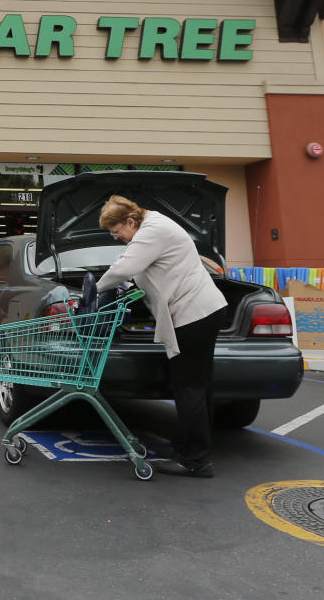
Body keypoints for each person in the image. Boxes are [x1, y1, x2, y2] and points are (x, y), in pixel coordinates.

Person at [96, 196, 227, 478]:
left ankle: (196, 461)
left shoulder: (151, 231)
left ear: (131, 221)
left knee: (188, 387)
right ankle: (190, 448)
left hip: (194, 314)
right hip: (204, 310)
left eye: (116, 231)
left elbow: (123, 268)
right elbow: (141, 269)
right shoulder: (153, 226)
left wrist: (95, 290)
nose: (116, 237)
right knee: (198, 386)